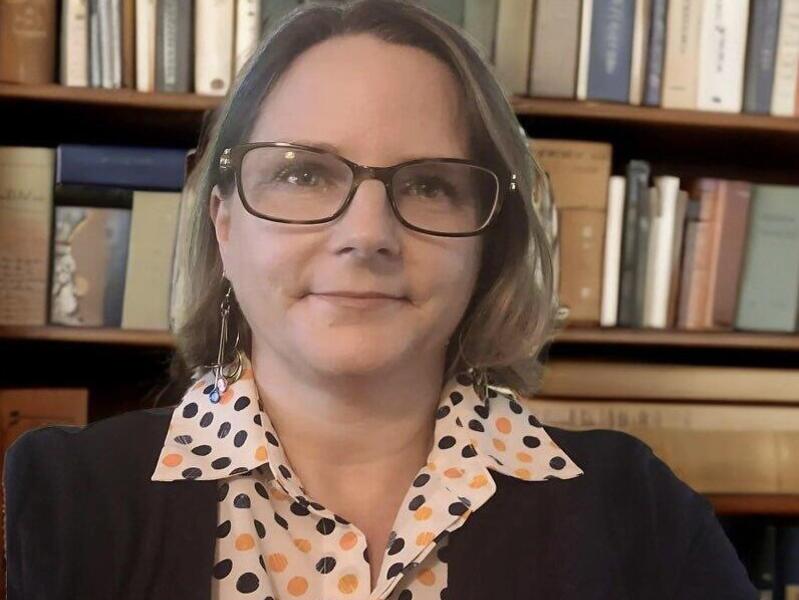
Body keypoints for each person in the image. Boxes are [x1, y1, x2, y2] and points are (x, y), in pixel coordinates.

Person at [3, 1, 757, 599]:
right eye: (303, 175)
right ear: (224, 222)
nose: (367, 234)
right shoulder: (51, 503)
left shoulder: (637, 513)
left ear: (488, 241)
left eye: (429, 184)